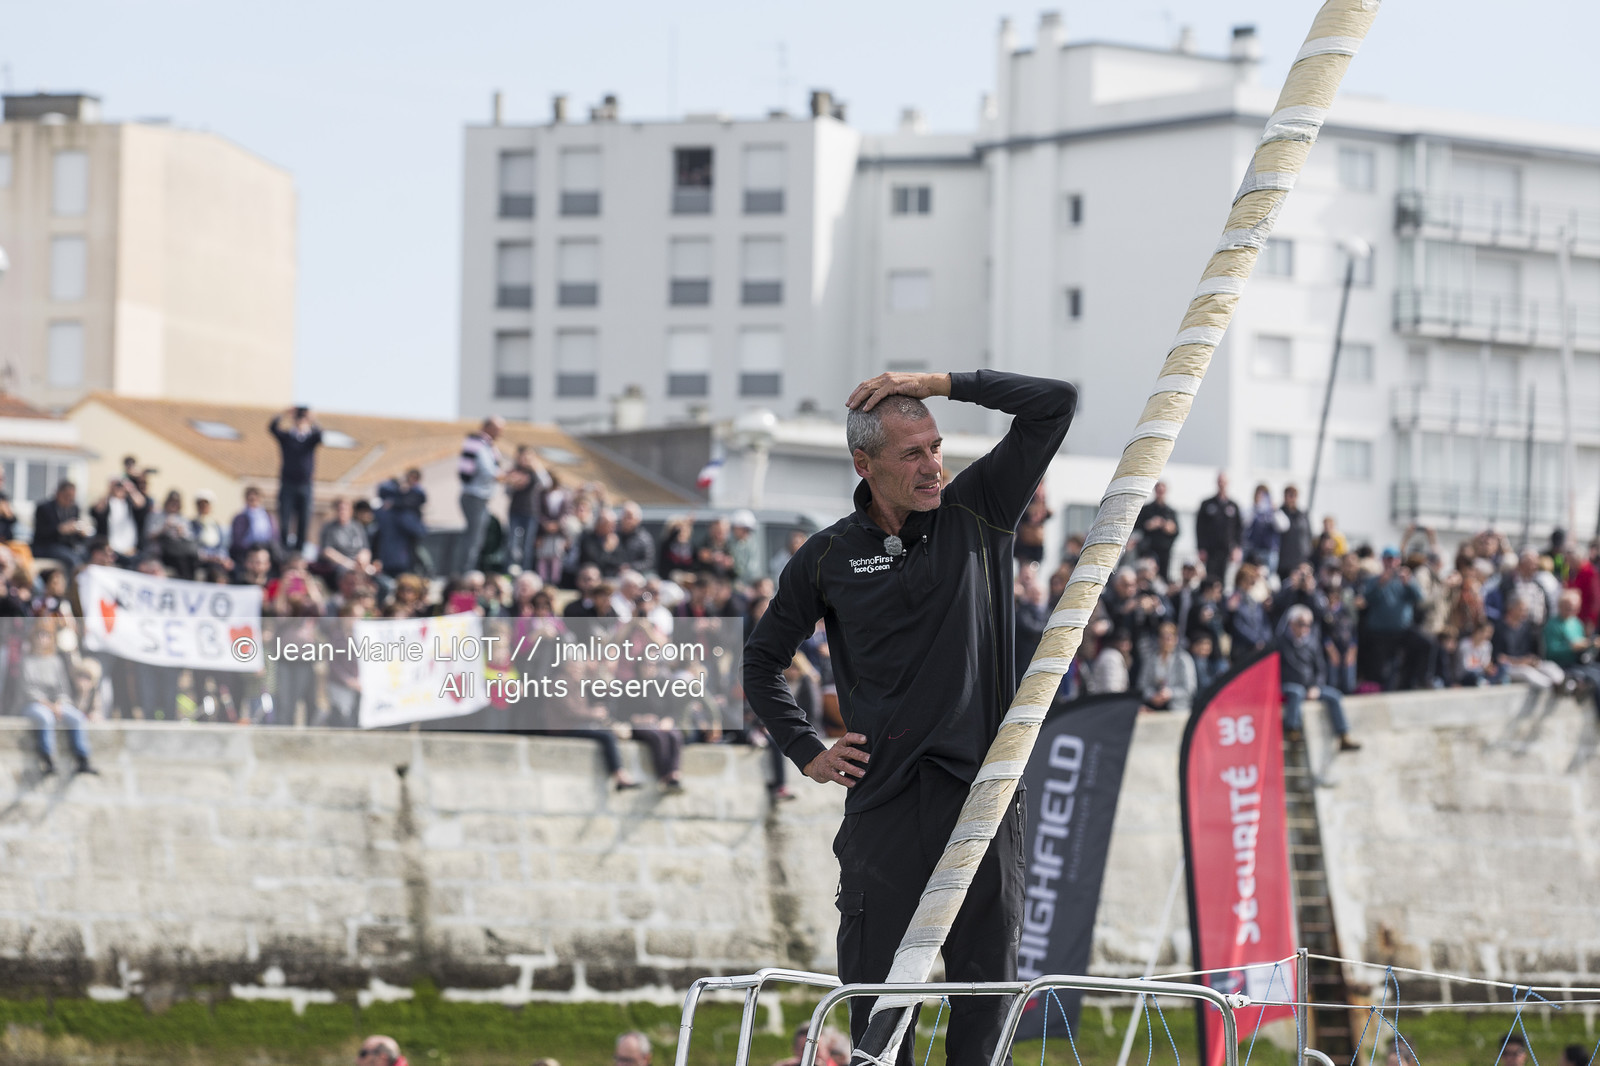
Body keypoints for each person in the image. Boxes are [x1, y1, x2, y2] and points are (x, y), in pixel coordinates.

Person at [745, 368, 1076, 1066]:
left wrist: (939, 380)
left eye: (936, 446)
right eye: (912, 454)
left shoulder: (979, 505)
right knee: (877, 1019)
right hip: (883, 810)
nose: (933, 466)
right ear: (864, 465)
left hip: (981, 801)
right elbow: (759, 662)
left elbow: (1055, 405)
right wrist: (807, 749)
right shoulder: (828, 555)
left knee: (985, 1011)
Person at [1278, 605, 1360, 750]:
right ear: (1291, 623)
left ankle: (1343, 735)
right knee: (1296, 692)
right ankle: (1293, 732)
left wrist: (1315, 687)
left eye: (1308, 624)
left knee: (1335, 695)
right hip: (1288, 686)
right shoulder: (1280, 643)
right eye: (1301, 624)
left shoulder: (1312, 642)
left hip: (1310, 687)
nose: (1305, 628)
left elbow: (1320, 669)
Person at [20, 625, 98, 775]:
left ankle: (83, 759)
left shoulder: (56, 662)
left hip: (57, 704)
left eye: (47, 635)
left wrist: (59, 703)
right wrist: (48, 705)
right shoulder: (26, 662)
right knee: (45, 717)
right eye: (40, 635)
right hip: (34, 704)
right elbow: (27, 690)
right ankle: (48, 759)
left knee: (76, 717)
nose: (43, 639)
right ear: (33, 638)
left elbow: (62, 689)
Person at [270, 405, 323, 553]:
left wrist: (312, 418)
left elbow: (320, 435)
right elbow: (272, 428)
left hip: (305, 485)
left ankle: (298, 552)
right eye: (299, 418)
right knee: (285, 521)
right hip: (288, 484)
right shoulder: (287, 438)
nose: (300, 420)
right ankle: (283, 551)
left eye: (303, 418)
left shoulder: (310, 439)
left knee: (304, 521)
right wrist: (284, 414)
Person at [457, 416, 506, 575]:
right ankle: (466, 572)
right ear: (488, 427)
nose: (501, 433)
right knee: (473, 539)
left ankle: (470, 570)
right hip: (474, 497)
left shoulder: (487, 445)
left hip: (480, 498)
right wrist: (509, 477)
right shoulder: (478, 444)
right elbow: (488, 472)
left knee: (477, 539)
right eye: (498, 429)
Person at [1545, 590, 1600, 715]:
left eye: (1574, 608)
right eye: (1568, 608)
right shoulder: (1552, 625)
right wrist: (1571, 648)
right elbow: (1551, 651)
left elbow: (1584, 649)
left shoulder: (1577, 623)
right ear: (1560, 606)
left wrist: (1592, 645)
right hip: (1563, 664)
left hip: (1580, 662)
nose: (1571, 611)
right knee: (1594, 679)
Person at [1136, 621, 1196, 712]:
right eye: (1163, 637)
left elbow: (1190, 689)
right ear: (1158, 639)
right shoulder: (1150, 659)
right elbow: (1142, 686)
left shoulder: (1184, 659)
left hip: (1177, 708)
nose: (1166, 641)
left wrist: (1170, 693)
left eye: (1169, 638)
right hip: (1153, 706)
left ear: (1176, 639)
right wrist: (1153, 696)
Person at [1195, 472, 1242, 582]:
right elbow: (1199, 528)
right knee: (1209, 579)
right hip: (1210, 550)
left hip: (1227, 551)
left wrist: (1237, 548)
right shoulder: (1207, 504)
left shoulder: (1233, 505)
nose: (1222, 484)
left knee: (1225, 580)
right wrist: (1200, 548)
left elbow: (1239, 529)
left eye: (1224, 482)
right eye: (1220, 481)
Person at [1134, 481, 1179, 582]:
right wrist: (1149, 525)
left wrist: (1169, 528)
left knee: (1163, 578)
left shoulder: (1171, 511)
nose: (1160, 493)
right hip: (1148, 549)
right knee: (1145, 576)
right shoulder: (1146, 509)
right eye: (1159, 491)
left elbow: (1177, 531)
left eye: (1162, 491)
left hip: (1164, 551)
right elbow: (1137, 528)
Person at [230, 486, 280, 570]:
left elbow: (275, 536)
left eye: (256, 498)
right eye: (251, 499)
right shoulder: (240, 518)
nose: (253, 501)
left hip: (266, 548)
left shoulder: (268, 516)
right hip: (247, 549)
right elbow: (237, 539)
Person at [1276, 485, 1313, 582]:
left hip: (1300, 559)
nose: (1291, 498)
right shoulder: (1279, 513)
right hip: (1284, 560)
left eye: (1294, 496)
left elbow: (1308, 536)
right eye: (1289, 495)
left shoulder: (1303, 515)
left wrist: (1307, 556)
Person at [728, 510, 763, 585]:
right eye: (744, 529)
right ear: (735, 527)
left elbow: (752, 570)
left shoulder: (752, 545)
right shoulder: (726, 543)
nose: (747, 533)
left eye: (748, 530)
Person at [0, 464, 15, 543]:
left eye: (2, 478)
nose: (1, 481)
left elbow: (12, 520)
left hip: (5, 541)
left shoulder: (3, 497)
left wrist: (8, 514)